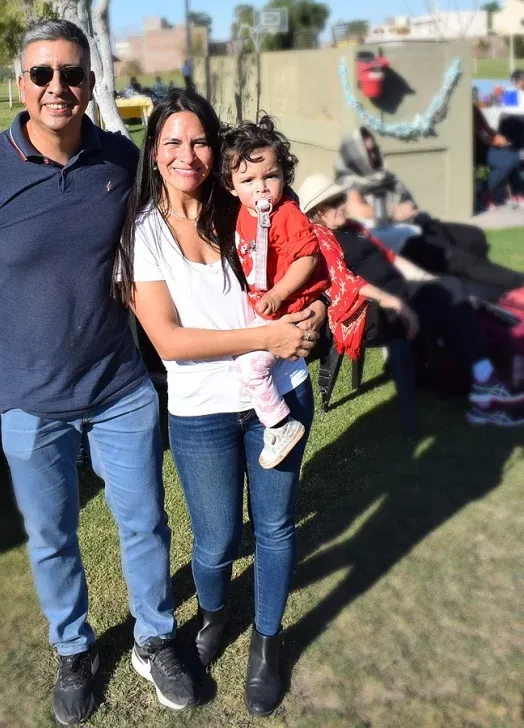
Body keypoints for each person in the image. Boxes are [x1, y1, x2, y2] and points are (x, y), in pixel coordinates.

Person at [0, 19, 199, 726]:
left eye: (72, 74)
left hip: (119, 388)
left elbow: (179, 219)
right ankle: (74, 649)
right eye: (42, 74)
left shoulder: (120, 160)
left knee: (144, 523)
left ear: (90, 81)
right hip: (28, 398)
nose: (58, 87)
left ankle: (154, 639)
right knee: (51, 536)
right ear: (21, 83)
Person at [115, 89, 325, 716]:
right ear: (153, 152)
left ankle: (267, 641)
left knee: (276, 525)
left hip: (280, 393)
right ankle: (213, 615)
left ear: (217, 149)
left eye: (200, 141)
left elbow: (306, 262)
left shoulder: (242, 204)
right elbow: (169, 341)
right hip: (202, 410)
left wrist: (314, 310)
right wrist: (266, 337)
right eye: (173, 142)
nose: (187, 154)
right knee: (215, 541)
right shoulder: (142, 234)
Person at [299, 173, 524, 427]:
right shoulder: (320, 237)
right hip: (371, 310)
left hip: (398, 291)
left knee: (451, 289)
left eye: (341, 199)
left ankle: (478, 381)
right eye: (333, 202)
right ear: (317, 212)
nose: (341, 205)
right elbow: (346, 282)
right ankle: (482, 385)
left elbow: (390, 257)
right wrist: (395, 302)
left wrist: (426, 278)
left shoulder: (353, 227)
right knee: (450, 297)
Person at [220, 117, 329, 468]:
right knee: (245, 360)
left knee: (250, 368)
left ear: (284, 175)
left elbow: (308, 257)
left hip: (289, 310)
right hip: (269, 309)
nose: (262, 188)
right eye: (248, 180)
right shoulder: (244, 213)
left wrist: (279, 295)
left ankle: (280, 425)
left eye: (271, 176)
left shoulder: (287, 214)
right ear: (231, 186)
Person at [337, 125, 524, 295]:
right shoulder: (348, 181)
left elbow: (406, 200)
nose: (373, 156)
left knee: (474, 236)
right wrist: (393, 211)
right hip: (396, 240)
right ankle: (515, 282)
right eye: (367, 152)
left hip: (416, 224)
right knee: (457, 257)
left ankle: (481, 285)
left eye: (374, 150)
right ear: (354, 155)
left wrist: (408, 209)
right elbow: (358, 209)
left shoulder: (382, 175)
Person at [473, 104, 524, 208]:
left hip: (487, 143)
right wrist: (493, 140)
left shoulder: (474, 108)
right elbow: (480, 132)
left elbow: (485, 129)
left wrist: (496, 137)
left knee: (514, 155)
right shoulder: (468, 110)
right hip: (478, 148)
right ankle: (484, 192)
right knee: (510, 159)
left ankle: (516, 192)